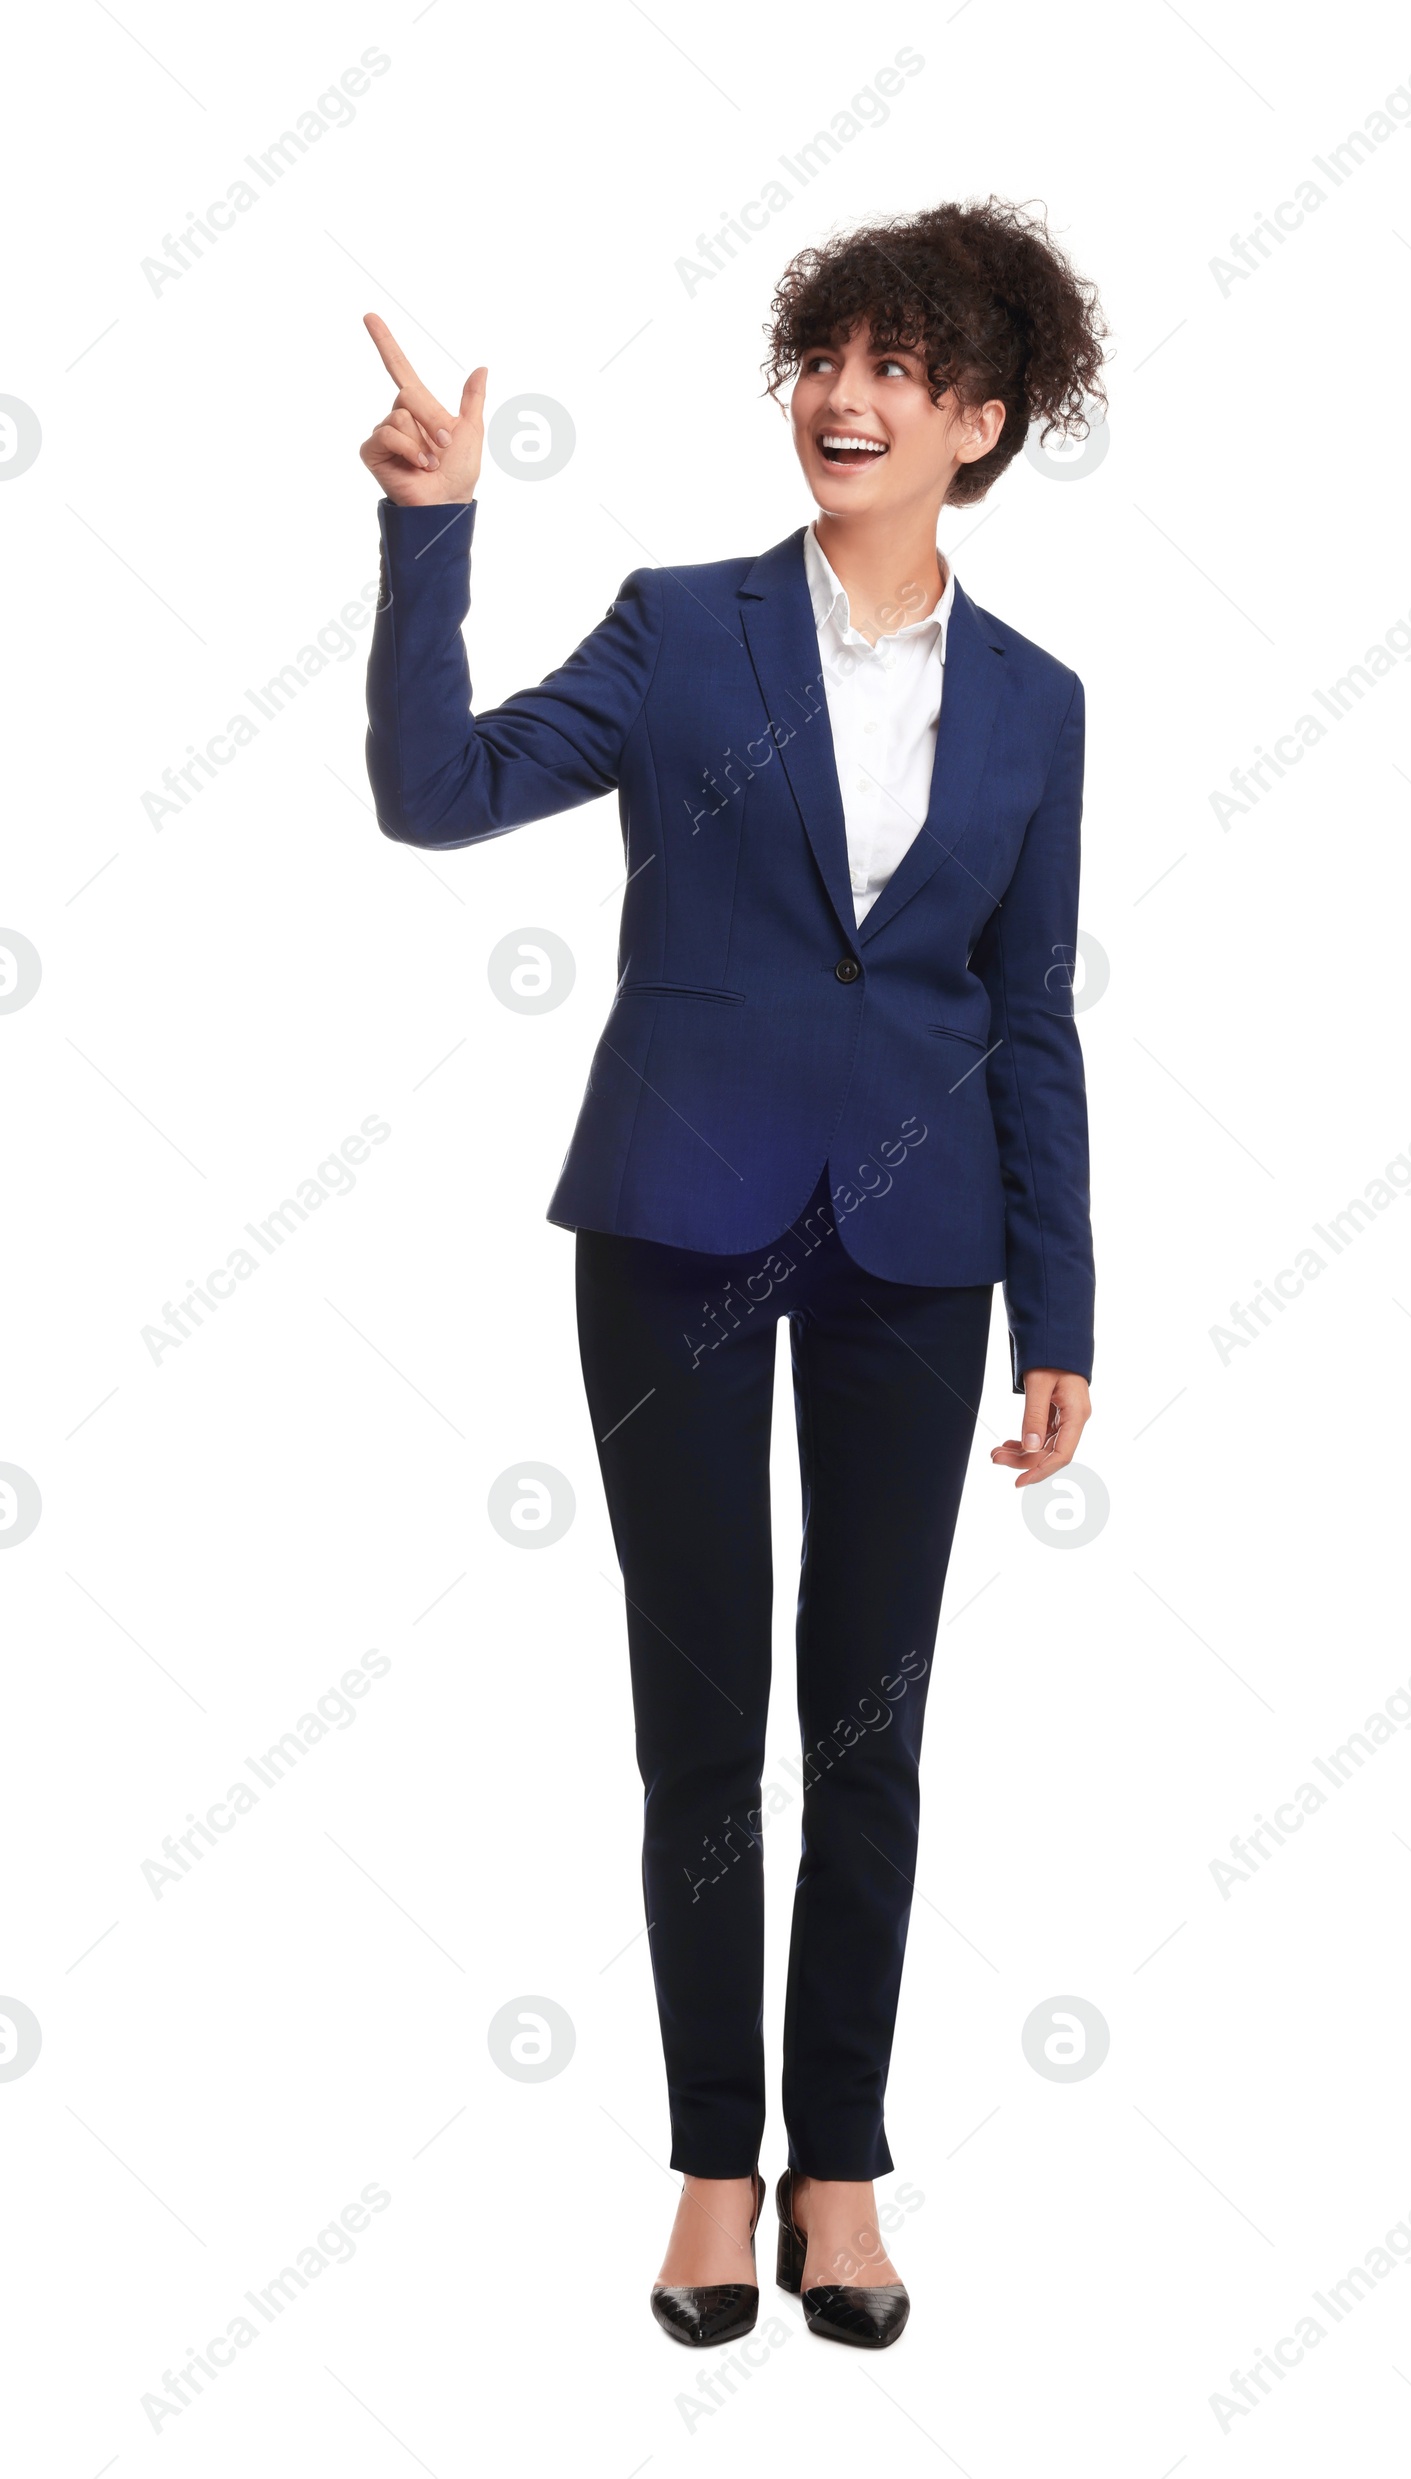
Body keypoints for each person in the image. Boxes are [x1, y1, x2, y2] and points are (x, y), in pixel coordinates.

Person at [359, 196, 1106, 2350]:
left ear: (979, 418)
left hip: (918, 1248)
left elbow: (1029, 1015)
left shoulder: (1042, 707)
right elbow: (438, 794)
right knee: (702, 1730)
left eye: (893, 367)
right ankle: (712, 2164)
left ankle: (842, 2167)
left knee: (867, 1724)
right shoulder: (682, 631)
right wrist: (434, 532)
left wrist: (1057, 1314)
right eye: (820, 355)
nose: (838, 394)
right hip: (675, 1220)